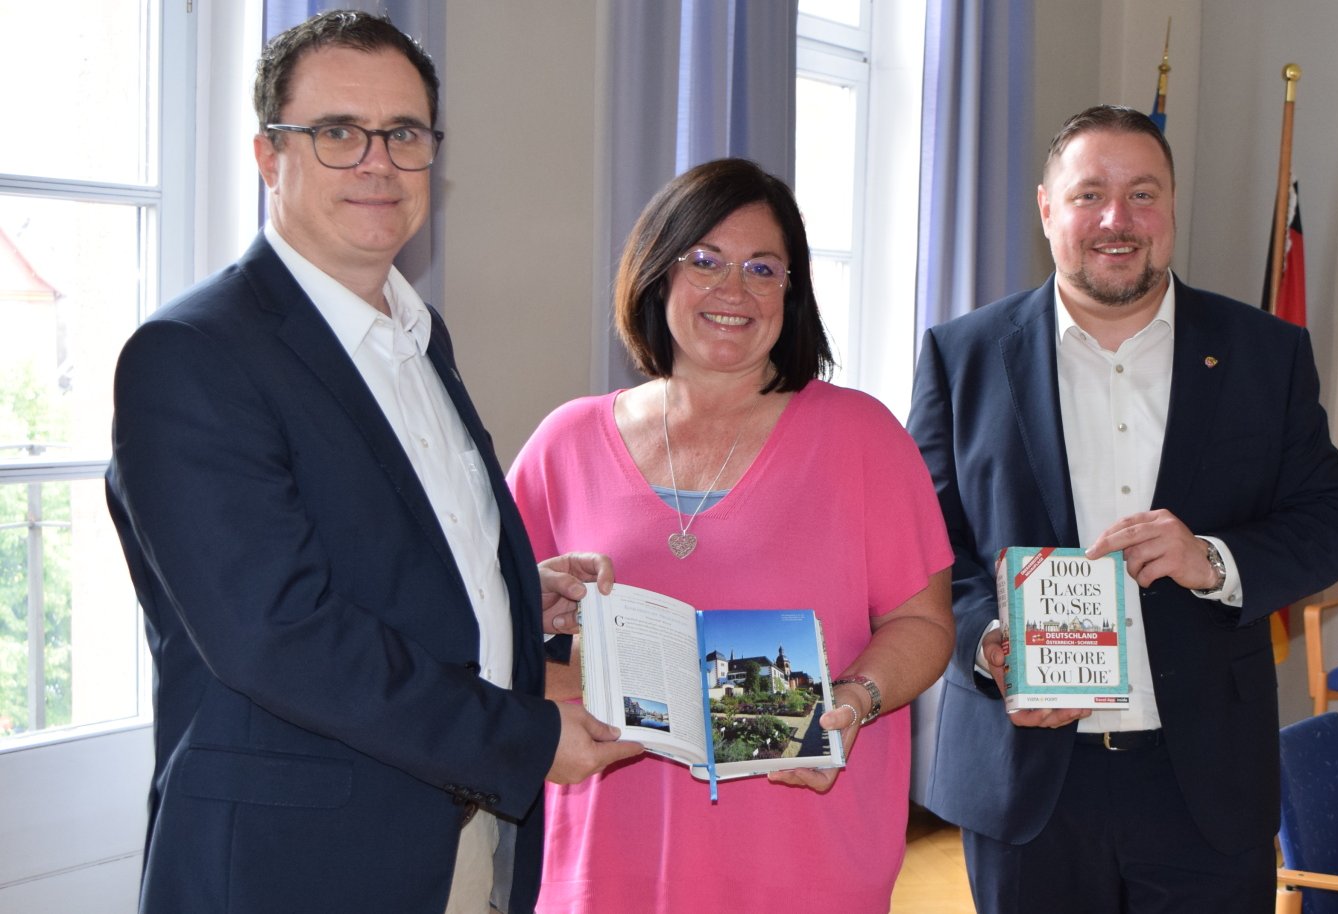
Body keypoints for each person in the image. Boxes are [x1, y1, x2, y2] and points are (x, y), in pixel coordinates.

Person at [104, 12, 643, 914]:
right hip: (295, 861)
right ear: (270, 156)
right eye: (338, 133)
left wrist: (507, 593)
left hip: (447, 835)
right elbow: (277, 632)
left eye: (404, 133)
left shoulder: (415, 335)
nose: (377, 162)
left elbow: (380, 546)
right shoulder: (192, 354)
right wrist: (524, 737)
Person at [908, 104, 1338, 913]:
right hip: (1027, 783)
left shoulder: (1265, 352)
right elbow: (924, 548)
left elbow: (1332, 524)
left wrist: (1215, 561)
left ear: (1173, 209)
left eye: (1143, 194)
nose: (1117, 219)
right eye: (1090, 195)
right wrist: (989, 642)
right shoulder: (963, 354)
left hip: (1203, 785)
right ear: (1048, 209)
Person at [507, 156, 955, 913]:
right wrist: (554, 684)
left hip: (804, 857)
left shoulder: (862, 437)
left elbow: (922, 622)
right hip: (612, 859)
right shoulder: (565, 442)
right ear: (656, 273)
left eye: (762, 268)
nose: (732, 290)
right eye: (705, 261)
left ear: (792, 290)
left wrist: (851, 700)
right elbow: (495, 627)